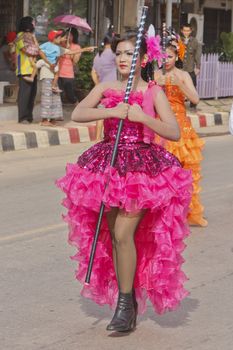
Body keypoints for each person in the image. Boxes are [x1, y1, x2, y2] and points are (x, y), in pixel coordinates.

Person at [56, 31, 193, 332]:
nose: (121, 58)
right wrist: (112, 110)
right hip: (109, 165)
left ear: (143, 59)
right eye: (119, 52)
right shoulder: (106, 87)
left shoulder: (153, 92)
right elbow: (78, 113)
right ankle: (126, 302)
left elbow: (173, 132)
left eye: (130, 53)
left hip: (144, 170)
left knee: (122, 233)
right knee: (115, 237)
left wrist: (142, 118)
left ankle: (124, 303)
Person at [154, 35, 208, 227]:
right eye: (162, 56)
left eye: (168, 56)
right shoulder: (155, 75)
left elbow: (195, 99)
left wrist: (179, 84)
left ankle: (189, 212)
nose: (165, 60)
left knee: (186, 173)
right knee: (162, 174)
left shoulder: (183, 75)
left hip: (181, 128)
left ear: (176, 57)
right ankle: (162, 213)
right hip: (160, 128)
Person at [15, 16, 53, 124]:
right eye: (32, 23)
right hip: (24, 69)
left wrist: (35, 41)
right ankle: (22, 118)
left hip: (33, 69)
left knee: (32, 95)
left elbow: (37, 49)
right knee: (24, 95)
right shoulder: (20, 36)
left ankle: (29, 117)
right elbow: (27, 50)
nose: (34, 25)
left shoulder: (32, 36)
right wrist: (36, 49)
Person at [91, 34, 117, 140]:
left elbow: (93, 72)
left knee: (100, 114)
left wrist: (98, 86)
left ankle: (97, 139)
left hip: (102, 88)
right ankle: (110, 137)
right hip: (113, 89)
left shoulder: (98, 56)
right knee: (113, 113)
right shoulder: (114, 55)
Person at [180, 23, 202, 110]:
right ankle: (180, 103)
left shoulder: (194, 41)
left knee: (192, 85)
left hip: (190, 68)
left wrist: (198, 67)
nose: (186, 32)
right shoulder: (178, 40)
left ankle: (193, 104)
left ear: (191, 31)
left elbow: (197, 55)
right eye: (184, 30)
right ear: (182, 31)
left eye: (188, 30)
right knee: (179, 86)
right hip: (180, 68)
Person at [58, 28, 82, 104]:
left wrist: (69, 51)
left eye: (70, 35)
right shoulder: (61, 44)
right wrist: (64, 47)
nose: (68, 37)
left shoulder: (77, 47)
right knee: (59, 95)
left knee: (70, 95)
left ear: (74, 36)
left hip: (68, 74)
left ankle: (78, 108)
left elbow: (75, 62)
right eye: (67, 35)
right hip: (58, 73)